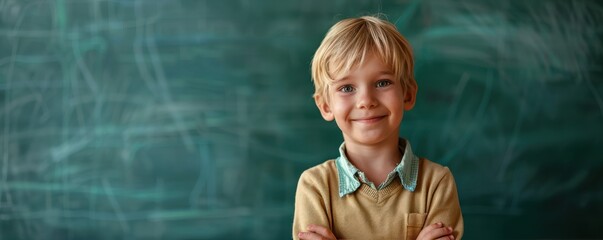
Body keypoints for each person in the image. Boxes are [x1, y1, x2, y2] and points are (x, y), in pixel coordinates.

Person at [292, 15, 464, 240]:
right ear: (325, 106)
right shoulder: (315, 187)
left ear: (408, 94)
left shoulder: (437, 183)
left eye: (382, 83)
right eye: (346, 88)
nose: (366, 100)